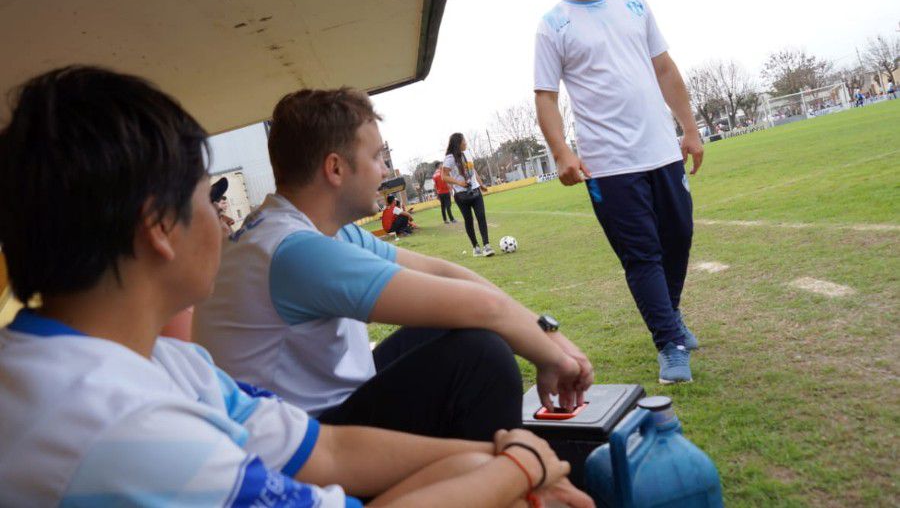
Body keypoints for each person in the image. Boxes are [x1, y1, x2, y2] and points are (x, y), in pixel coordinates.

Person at [0, 66, 593, 508]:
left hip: (325, 424)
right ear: (158, 228)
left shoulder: (172, 365)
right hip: (321, 413)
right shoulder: (124, 428)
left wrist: (505, 461)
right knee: (477, 352)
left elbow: (331, 453)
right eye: (208, 197)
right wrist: (515, 472)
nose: (224, 219)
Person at [194, 87, 594, 442]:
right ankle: (499, 481)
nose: (385, 170)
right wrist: (550, 353)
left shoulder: (312, 228)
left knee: (455, 326)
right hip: (297, 446)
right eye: (376, 156)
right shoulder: (292, 249)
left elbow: (442, 274)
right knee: (480, 355)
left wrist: (544, 332)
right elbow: (483, 308)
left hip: (318, 414)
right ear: (335, 168)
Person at [534, 0, 703, 384]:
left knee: (679, 239)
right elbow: (545, 97)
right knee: (643, 255)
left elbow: (664, 68)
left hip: (663, 152)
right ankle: (668, 341)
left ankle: (669, 315)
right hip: (609, 165)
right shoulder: (553, 26)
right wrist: (562, 152)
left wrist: (689, 129)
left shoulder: (634, 3)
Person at [443, 133, 494, 256]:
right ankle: (476, 247)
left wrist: (481, 184)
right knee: (469, 220)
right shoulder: (450, 158)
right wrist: (459, 183)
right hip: (461, 195)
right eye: (464, 140)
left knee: (481, 216)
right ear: (458, 143)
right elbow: (444, 176)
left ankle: (486, 245)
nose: (466, 143)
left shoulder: (468, 153)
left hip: (475, 190)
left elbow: (473, 170)